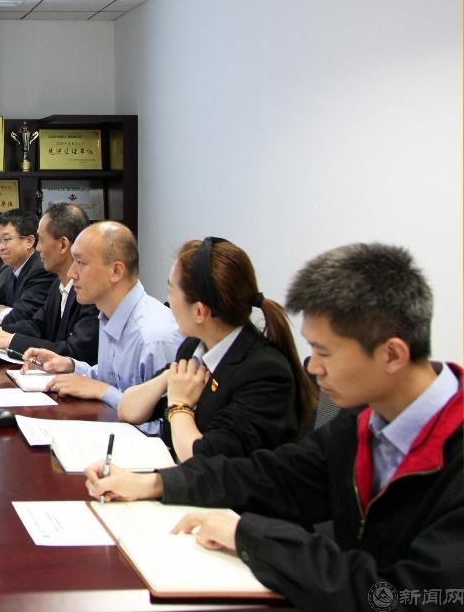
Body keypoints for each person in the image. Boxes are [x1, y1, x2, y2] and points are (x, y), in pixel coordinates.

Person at [85, 243, 461, 611]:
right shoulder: (364, 421)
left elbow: (397, 596)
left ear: (392, 354)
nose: (313, 368)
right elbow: (272, 475)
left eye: (325, 353)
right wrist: (153, 483)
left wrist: (250, 536)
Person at [117, 238, 317, 461]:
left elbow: (206, 461)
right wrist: (168, 378)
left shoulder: (264, 372)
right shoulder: (195, 347)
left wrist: (179, 405)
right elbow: (128, 410)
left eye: (171, 291)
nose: (168, 301)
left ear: (199, 312)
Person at [22, 222, 182, 425]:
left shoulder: (154, 337)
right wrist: (70, 366)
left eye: (80, 262)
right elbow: (113, 378)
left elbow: (166, 427)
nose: (71, 273)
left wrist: (104, 391)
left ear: (116, 271)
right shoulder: (108, 314)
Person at [0, 204, 99, 364]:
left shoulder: (92, 291)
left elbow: (76, 353)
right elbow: (37, 325)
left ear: (63, 244)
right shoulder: (58, 284)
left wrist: (10, 340)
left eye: (41, 240)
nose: (38, 248)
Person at [0, 208, 55, 327]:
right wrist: (9, 312)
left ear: (29, 241)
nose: (1, 247)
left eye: (6, 240)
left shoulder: (41, 269)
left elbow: (23, 317)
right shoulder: (12, 269)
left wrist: (5, 311)